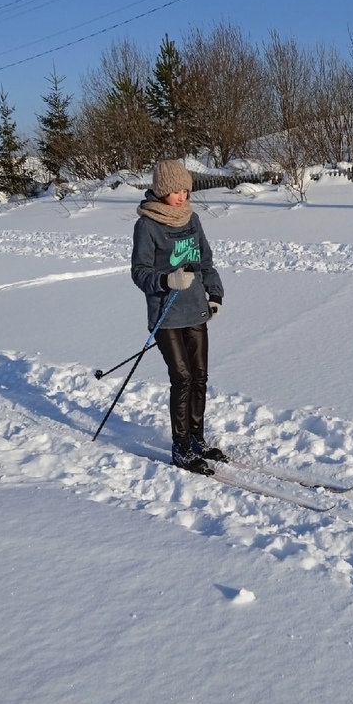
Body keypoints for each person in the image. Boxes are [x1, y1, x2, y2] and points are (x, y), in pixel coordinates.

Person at [131, 159, 227, 474]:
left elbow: (206, 261)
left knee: (199, 376)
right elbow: (139, 272)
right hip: (166, 315)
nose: (181, 197)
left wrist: (215, 295)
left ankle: (197, 439)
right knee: (182, 378)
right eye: (175, 191)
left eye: (185, 190)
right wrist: (166, 280)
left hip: (195, 309)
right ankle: (181, 446)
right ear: (161, 191)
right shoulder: (147, 225)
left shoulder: (191, 218)